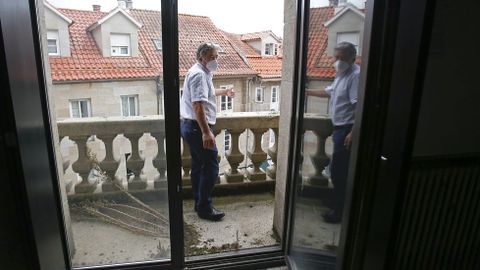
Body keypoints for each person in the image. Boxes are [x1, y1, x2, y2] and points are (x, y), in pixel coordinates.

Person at [180, 42, 235, 221]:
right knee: (211, 166)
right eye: (212, 58)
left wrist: (225, 91)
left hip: (192, 126)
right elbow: (197, 105)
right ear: (202, 57)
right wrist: (206, 132)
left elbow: (207, 94)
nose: (215, 61)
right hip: (197, 128)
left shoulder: (202, 72)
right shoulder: (198, 75)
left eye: (216, 57)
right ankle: (205, 208)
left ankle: (199, 202)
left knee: (199, 166)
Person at [306, 42, 360, 223]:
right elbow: (328, 92)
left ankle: (339, 211)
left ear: (352, 58)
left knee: (339, 171)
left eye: (341, 58)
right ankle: (336, 201)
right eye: (335, 57)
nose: (337, 61)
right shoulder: (342, 75)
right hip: (339, 129)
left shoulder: (355, 76)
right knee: (337, 170)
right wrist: (304, 91)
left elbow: (359, 106)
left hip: (346, 130)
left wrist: (353, 132)